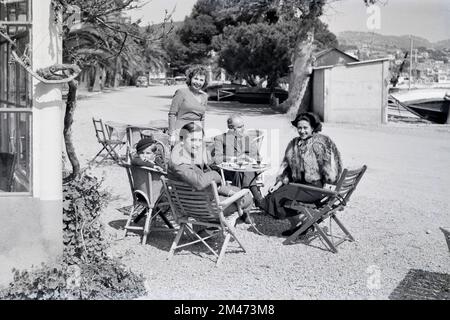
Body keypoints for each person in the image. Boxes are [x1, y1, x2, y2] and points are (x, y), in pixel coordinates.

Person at [257, 112, 343, 237]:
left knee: (278, 197)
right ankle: (299, 225)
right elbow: (286, 168)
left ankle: (301, 224)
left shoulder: (320, 143)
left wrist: (329, 185)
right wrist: (278, 183)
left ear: (313, 128)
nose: (302, 131)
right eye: (299, 128)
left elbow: (330, 169)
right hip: (301, 185)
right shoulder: (294, 144)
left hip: (314, 188)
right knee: (275, 193)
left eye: (305, 128)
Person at [168, 122, 253, 221]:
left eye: (200, 140)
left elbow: (206, 179)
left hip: (197, 202)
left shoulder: (186, 156)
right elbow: (200, 183)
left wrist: (229, 192)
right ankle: (211, 229)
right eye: (193, 140)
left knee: (238, 192)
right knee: (247, 198)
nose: (197, 144)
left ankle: (210, 228)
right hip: (203, 208)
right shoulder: (179, 162)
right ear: (182, 140)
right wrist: (216, 174)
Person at [213, 113, 264, 204]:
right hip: (230, 172)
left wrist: (251, 159)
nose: (243, 129)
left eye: (243, 126)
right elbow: (217, 159)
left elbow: (257, 157)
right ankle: (257, 198)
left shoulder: (247, 138)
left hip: (247, 170)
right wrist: (235, 159)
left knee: (244, 170)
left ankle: (242, 201)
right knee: (242, 171)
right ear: (231, 128)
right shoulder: (220, 139)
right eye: (240, 127)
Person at [168, 65, 209, 146]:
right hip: (181, 131)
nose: (198, 82)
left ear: (204, 82)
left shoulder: (204, 96)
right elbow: (172, 114)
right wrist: (171, 134)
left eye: (201, 80)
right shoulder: (181, 92)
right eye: (196, 78)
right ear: (190, 79)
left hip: (197, 133)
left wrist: (203, 134)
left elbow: (202, 118)